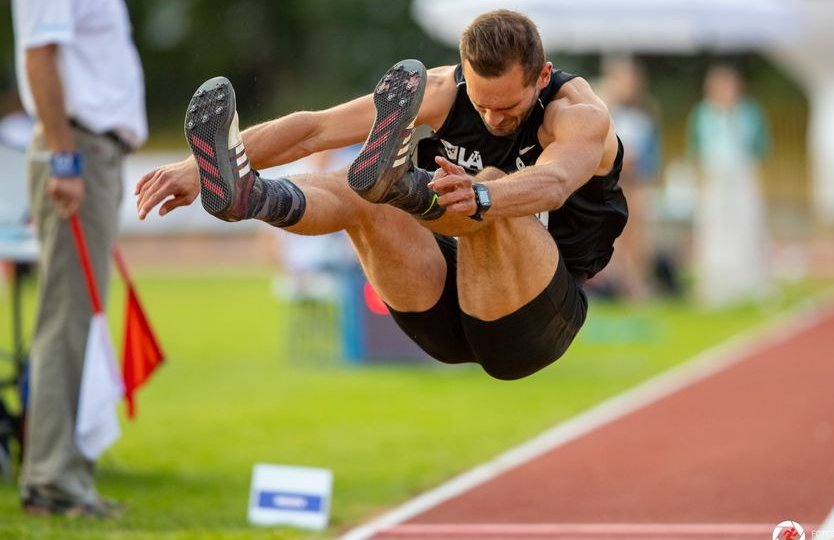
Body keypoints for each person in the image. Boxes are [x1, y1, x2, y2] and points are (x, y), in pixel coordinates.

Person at [136, 10, 627, 381]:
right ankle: (253, 197)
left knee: (492, 181)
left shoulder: (579, 114)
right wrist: (193, 169)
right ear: (463, 74)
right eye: (481, 105)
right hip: (439, 306)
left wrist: (479, 194)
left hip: (533, 323)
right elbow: (313, 130)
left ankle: (407, 187)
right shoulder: (441, 89)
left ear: (542, 76)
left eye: (509, 107)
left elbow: (556, 183)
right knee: (358, 189)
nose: (494, 119)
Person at [12, 0, 147, 517]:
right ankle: (51, 478)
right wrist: (65, 158)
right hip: (77, 149)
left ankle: (65, 471)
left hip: (93, 149)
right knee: (66, 316)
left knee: (78, 316)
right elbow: (38, 55)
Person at [687, 65, 772, 308]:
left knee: (747, 226)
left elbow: (759, 148)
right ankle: (716, 282)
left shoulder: (750, 113)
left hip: (742, 173)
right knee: (713, 228)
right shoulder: (702, 114)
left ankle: (751, 280)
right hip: (713, 174)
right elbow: (697, 150)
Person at [597, 56, 661, 300]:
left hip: (636, 181)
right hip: (613, 180)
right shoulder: (604, 109)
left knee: (637, 232)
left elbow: (651, 151)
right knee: (615, 233)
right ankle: (614, 281)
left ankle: (637, 281)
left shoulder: (645, 113)